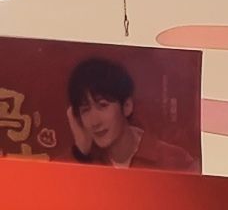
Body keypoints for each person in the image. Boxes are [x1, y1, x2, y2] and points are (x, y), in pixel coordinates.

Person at [62, 54, 193, 168]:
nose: (95, 122)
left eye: (103, 105)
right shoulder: (86, 159)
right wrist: (80, 151)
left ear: (127, 106)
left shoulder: (173, 159)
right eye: (85, 110)